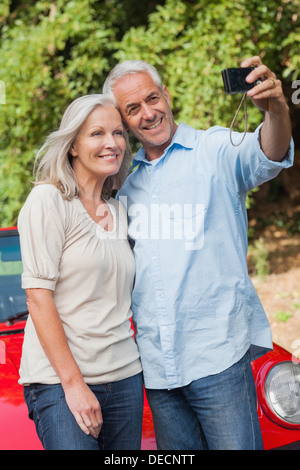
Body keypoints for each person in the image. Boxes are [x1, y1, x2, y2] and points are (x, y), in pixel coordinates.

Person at [102, 57, 294, 450]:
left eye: (152, 99)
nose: (149, 113)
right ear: (123, 122)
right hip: (157, 372)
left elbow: (269, 154)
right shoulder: (125, 188)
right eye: (133, 109)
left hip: (218, 358)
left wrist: (276, 109)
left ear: (166, 95)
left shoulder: (215, 150)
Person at [17, 94, 143, 450]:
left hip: (125, 377)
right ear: (72, 145)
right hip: (61, 382)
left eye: (118, 133)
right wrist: (74, 385)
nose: (111, 143)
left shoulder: (119, 211)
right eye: (97, 134)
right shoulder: (48, 201)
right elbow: (38, 297)